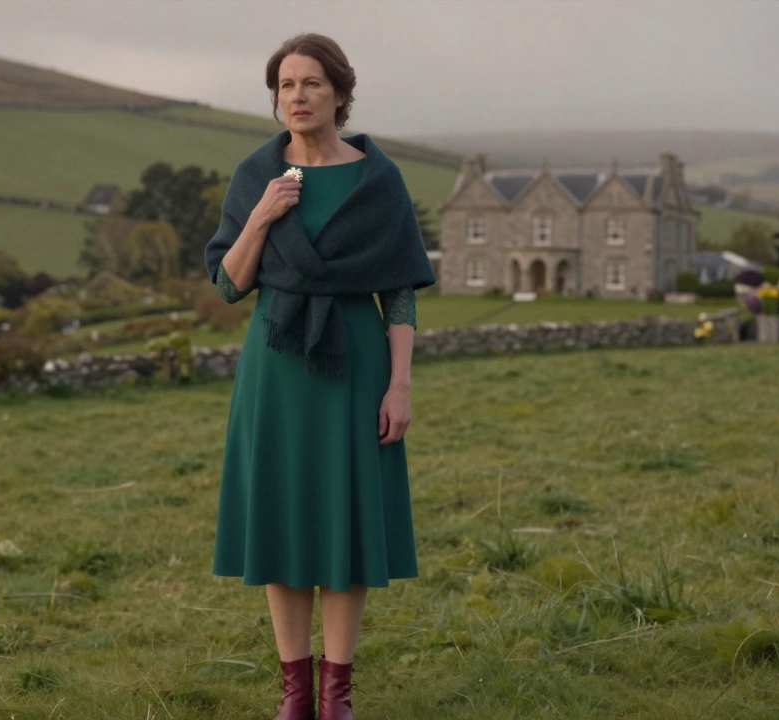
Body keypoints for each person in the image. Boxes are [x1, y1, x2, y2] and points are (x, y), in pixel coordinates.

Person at [203, 33, 435, 720]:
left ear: (340, 92)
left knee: (346, 522)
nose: (296, 97)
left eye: (310, 84)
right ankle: (293, 694)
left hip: (356, 364)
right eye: (284, 86)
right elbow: (228, 283)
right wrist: (263, 215)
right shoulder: (257, 174)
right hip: (275, 368)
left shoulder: (376, 179)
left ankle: (337, 696)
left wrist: (399, 386)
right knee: (281, 523)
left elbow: (398, 294)